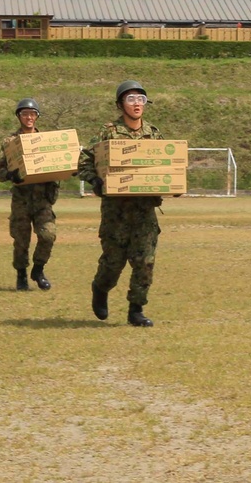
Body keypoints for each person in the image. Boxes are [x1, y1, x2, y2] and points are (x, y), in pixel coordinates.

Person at [77, 80, 165, 328]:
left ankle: (136, 310)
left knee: (145, 262)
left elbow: (166, 166)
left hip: (145, 210)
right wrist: (95, 181)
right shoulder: (108, 132)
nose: (137, 104)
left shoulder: (154, 134)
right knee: (113, 262)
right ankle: (100, 288)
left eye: (141, 99)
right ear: (120, 105)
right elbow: (84, 162)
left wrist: (172, 185)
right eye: (131, 99)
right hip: (116, 212)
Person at [0, 98, 58, 291]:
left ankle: (38, 269)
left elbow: (57, 161)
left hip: (43, 200)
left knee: (48, 236)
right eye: (24, 114)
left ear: (37, 116)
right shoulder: (11, 143)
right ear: (19, 116)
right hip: (21, 200)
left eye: (32, 114)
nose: (29, 117)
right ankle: (21, 274)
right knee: (21, 241)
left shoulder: (46, 142)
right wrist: (9, 174)